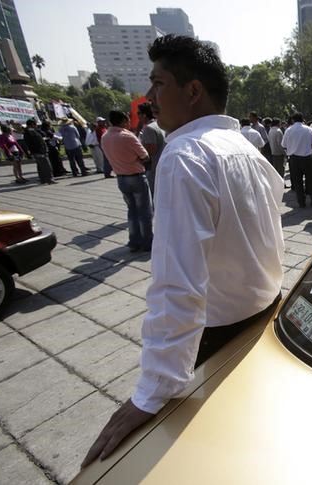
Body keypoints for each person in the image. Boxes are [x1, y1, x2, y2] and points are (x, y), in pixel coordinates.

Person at [83, 35, 284, 467]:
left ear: (193, 91)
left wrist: (151, 393)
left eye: (158, 84)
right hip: (265, 316)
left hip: (217, 336)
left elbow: (177, 284)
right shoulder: (246, 149)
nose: (150, 97)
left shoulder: (185, 155)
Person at [100, 110, 153, 252]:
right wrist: (136, 159)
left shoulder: (105, 137)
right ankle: (148, 242)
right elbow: (145, 156)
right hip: (136, 176)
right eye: (128, 120)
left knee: (132, 211)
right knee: (144, 212)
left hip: (121, 178)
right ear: (124, 121)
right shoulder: (128, 136)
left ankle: (134, 241)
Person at [282, 112, 312, 208]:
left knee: (298, 182)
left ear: (293, 120)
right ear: (302, 119)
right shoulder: (308, 129)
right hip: (306, 158)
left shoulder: (288, 130)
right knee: (311, 180)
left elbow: (284, 145)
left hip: (294, 159)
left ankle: (301, 202)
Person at [137, 102, 166, 197]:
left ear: (144, 115)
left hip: (153, 168)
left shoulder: (149, 128)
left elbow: (151, 151)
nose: (137, 116)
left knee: (154, 196)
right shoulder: (159, 124)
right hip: (161, 165)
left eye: (138, 113)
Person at [23, 119, 55, 184]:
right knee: (46, 166)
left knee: (40, 166)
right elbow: (36, 142)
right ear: (32, 125)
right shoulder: (30, 132)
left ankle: (43, 179)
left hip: (37, 151)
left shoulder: (31, 131)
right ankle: (49, 179)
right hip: (39, 151)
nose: (36, 125)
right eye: (35, 124)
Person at [267, 118, 286, 182]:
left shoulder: (271, 130)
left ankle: (277, 183)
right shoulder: (278, 131)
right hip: (279, 153)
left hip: (273, 152)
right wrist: (284, 153)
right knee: (281, 170)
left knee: (276, 169)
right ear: (278, 123)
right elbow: (280, 144)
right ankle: (281, 183)